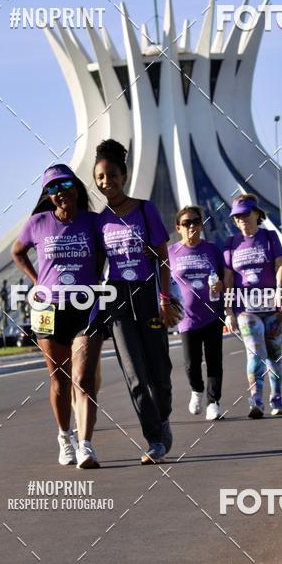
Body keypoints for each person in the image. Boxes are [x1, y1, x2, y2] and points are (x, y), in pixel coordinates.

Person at [11, 163, 104, 470]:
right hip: (48, 310)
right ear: (47, 195)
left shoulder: (92, 221)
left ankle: (86, 445)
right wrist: (37, 281)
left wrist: (97, 278)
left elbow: (105, 253)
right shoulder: (37, 223)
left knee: (84, 379)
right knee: (59, 381)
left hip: (86, 306)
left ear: (76, 186)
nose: (60, 192)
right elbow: (17, 251)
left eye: (65, 185)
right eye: (52, 188)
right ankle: (65, 438)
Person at [93, 139, 176, 465]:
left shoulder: (145, 210)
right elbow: (98, 268)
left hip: (147, 295)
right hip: (117, 298)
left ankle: (164, 418)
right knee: (134, 375)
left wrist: (165, 300)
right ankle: (154, 439)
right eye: (100, 177)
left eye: (112, 175)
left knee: (160, 374)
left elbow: (164, 259)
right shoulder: (100, 221)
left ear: (124, 176)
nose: (106, 182)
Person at [223, 193, 282, 418]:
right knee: (255, 351)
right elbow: (228, 279)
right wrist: (228, 310)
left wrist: (280, 291)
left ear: (256, 214)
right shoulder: (231, 243)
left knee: (274, 353)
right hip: (245, 307)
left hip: (272, 305)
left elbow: (280, 265)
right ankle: (256, 400)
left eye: (245, 214)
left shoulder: (269, 237)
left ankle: (276, 397)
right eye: (236, 216)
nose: (241, 219)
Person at [168, 205, 225, 421]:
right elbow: (163, 281)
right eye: (186, 223)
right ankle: (197, 389)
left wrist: (220, 286)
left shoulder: (212, 250)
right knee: (191, 363)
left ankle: (213, 402)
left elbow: (225, 279)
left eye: (196, 222)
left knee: (214, 360)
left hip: (212, 314)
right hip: (186, 318)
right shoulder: (171, 252)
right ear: (178, 228)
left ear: (202, 225)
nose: (191, 226)